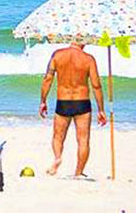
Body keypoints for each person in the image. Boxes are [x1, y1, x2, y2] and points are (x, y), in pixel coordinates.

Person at [38, 40, 107, 177]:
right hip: (82, 102)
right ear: (83, 42)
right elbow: (96, 85)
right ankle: (78, 172)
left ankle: (58, 158)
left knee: (58, 136)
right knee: (83, 140)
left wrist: (43, 101)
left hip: (63, 101)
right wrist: (101, 109)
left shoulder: (57, 55)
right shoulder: (88, 59)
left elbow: (48, 79)